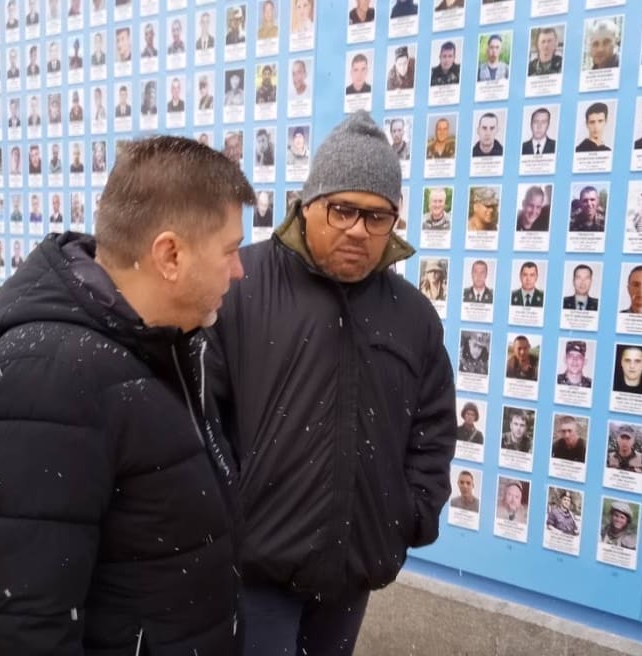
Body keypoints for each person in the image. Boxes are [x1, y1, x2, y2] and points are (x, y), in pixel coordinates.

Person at [0, 136, 256, 654]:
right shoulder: (47, 379)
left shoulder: (167, 343)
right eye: (230, 250)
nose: (240, 270)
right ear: (170, 254)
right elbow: (25, 628)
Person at [208, 111, 456, 656]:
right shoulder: (241, 288)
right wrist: (230, 512)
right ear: (307, 204)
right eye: (343, 210)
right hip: (256, 569)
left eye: (377, 217)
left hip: (355, 564)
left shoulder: (412, 316)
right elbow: (203, 416)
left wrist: (410, 512)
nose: (357, 230)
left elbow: (433, 426)